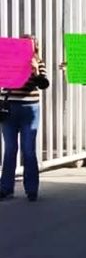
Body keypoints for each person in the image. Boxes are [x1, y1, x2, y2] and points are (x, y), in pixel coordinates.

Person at [0, 35, 49, 201]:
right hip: (9, 108)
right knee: (10, 149)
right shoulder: (7, 60)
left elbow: (44, 84)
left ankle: (32, 189)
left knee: (28, 150)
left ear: (35, 46)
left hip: (29, 109)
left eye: (31, 44)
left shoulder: (38, 62)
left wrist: (35, 70)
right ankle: (6, 188)